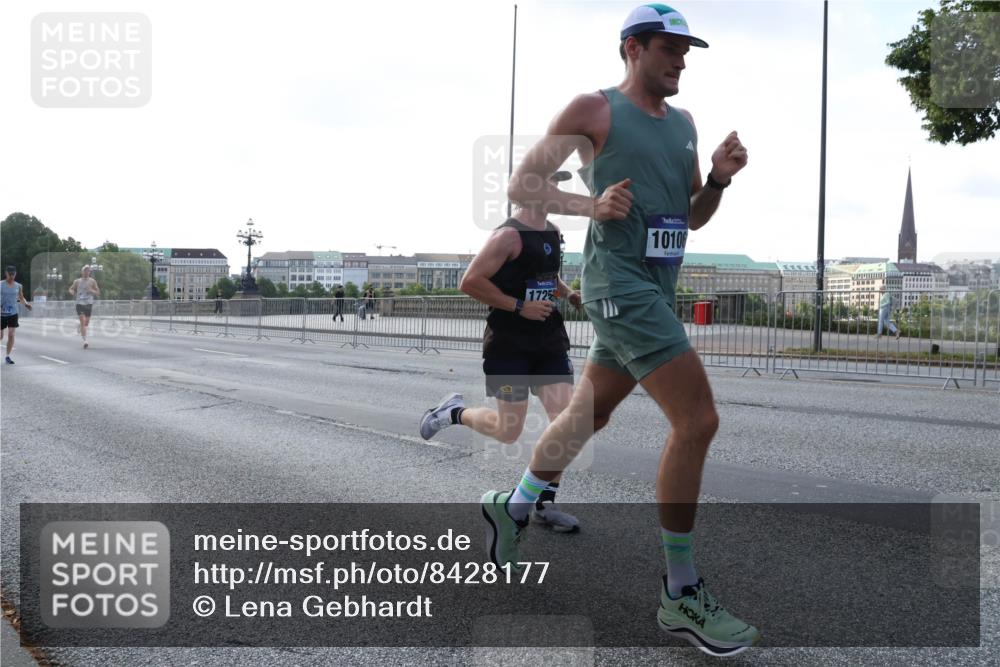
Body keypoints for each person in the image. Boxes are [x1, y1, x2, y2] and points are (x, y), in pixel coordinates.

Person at [478, 4, 759, 656]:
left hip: (655, 288)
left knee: (587, 416)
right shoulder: (595, 109)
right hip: (618, 287)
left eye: (686, 50)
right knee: (697, 420)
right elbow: (522, 184)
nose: (681, 60)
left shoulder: (685, 124)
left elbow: (692, 217)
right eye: (669, 48)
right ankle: (680, 591)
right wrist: (591, 204)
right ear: (633, 48)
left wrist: (719, 180)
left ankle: (512, 505)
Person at [420, 175, 584, 531]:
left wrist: (569, 293)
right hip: (509, 346)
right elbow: (470, 281)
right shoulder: (508, 236)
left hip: (549, 341)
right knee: (509, 430)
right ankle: (453, 413)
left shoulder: (553, 232)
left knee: (567, 423)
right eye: (550, 184)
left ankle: (544, 504)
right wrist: (519, 306)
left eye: (557, 185)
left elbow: (548, 277)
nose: (556, 191)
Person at [1, 266, 33, 364]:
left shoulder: (18, 286)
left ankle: (7, 356)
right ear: (6, 274)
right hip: (1, 313)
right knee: (0, 336)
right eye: (9, 274)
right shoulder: (0, 284)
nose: (11, 276)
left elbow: (21, 297)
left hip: (13, 313)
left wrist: (26, 304)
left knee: (11, 334)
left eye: (13, 274)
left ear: (15, 274)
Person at [68, 265, 100, 349]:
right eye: (85, 270)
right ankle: (85, 341)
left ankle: (79, 325)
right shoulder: (77, 281)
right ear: (82, 272)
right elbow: (71, 289)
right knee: (83, 321)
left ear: (90, 272)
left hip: (89, 303)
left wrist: (91, 291)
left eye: (88, 271)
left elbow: (97, 292)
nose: (87, 272)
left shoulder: (92, 281)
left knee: (86, 323)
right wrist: (72, 292)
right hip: (80, 303)